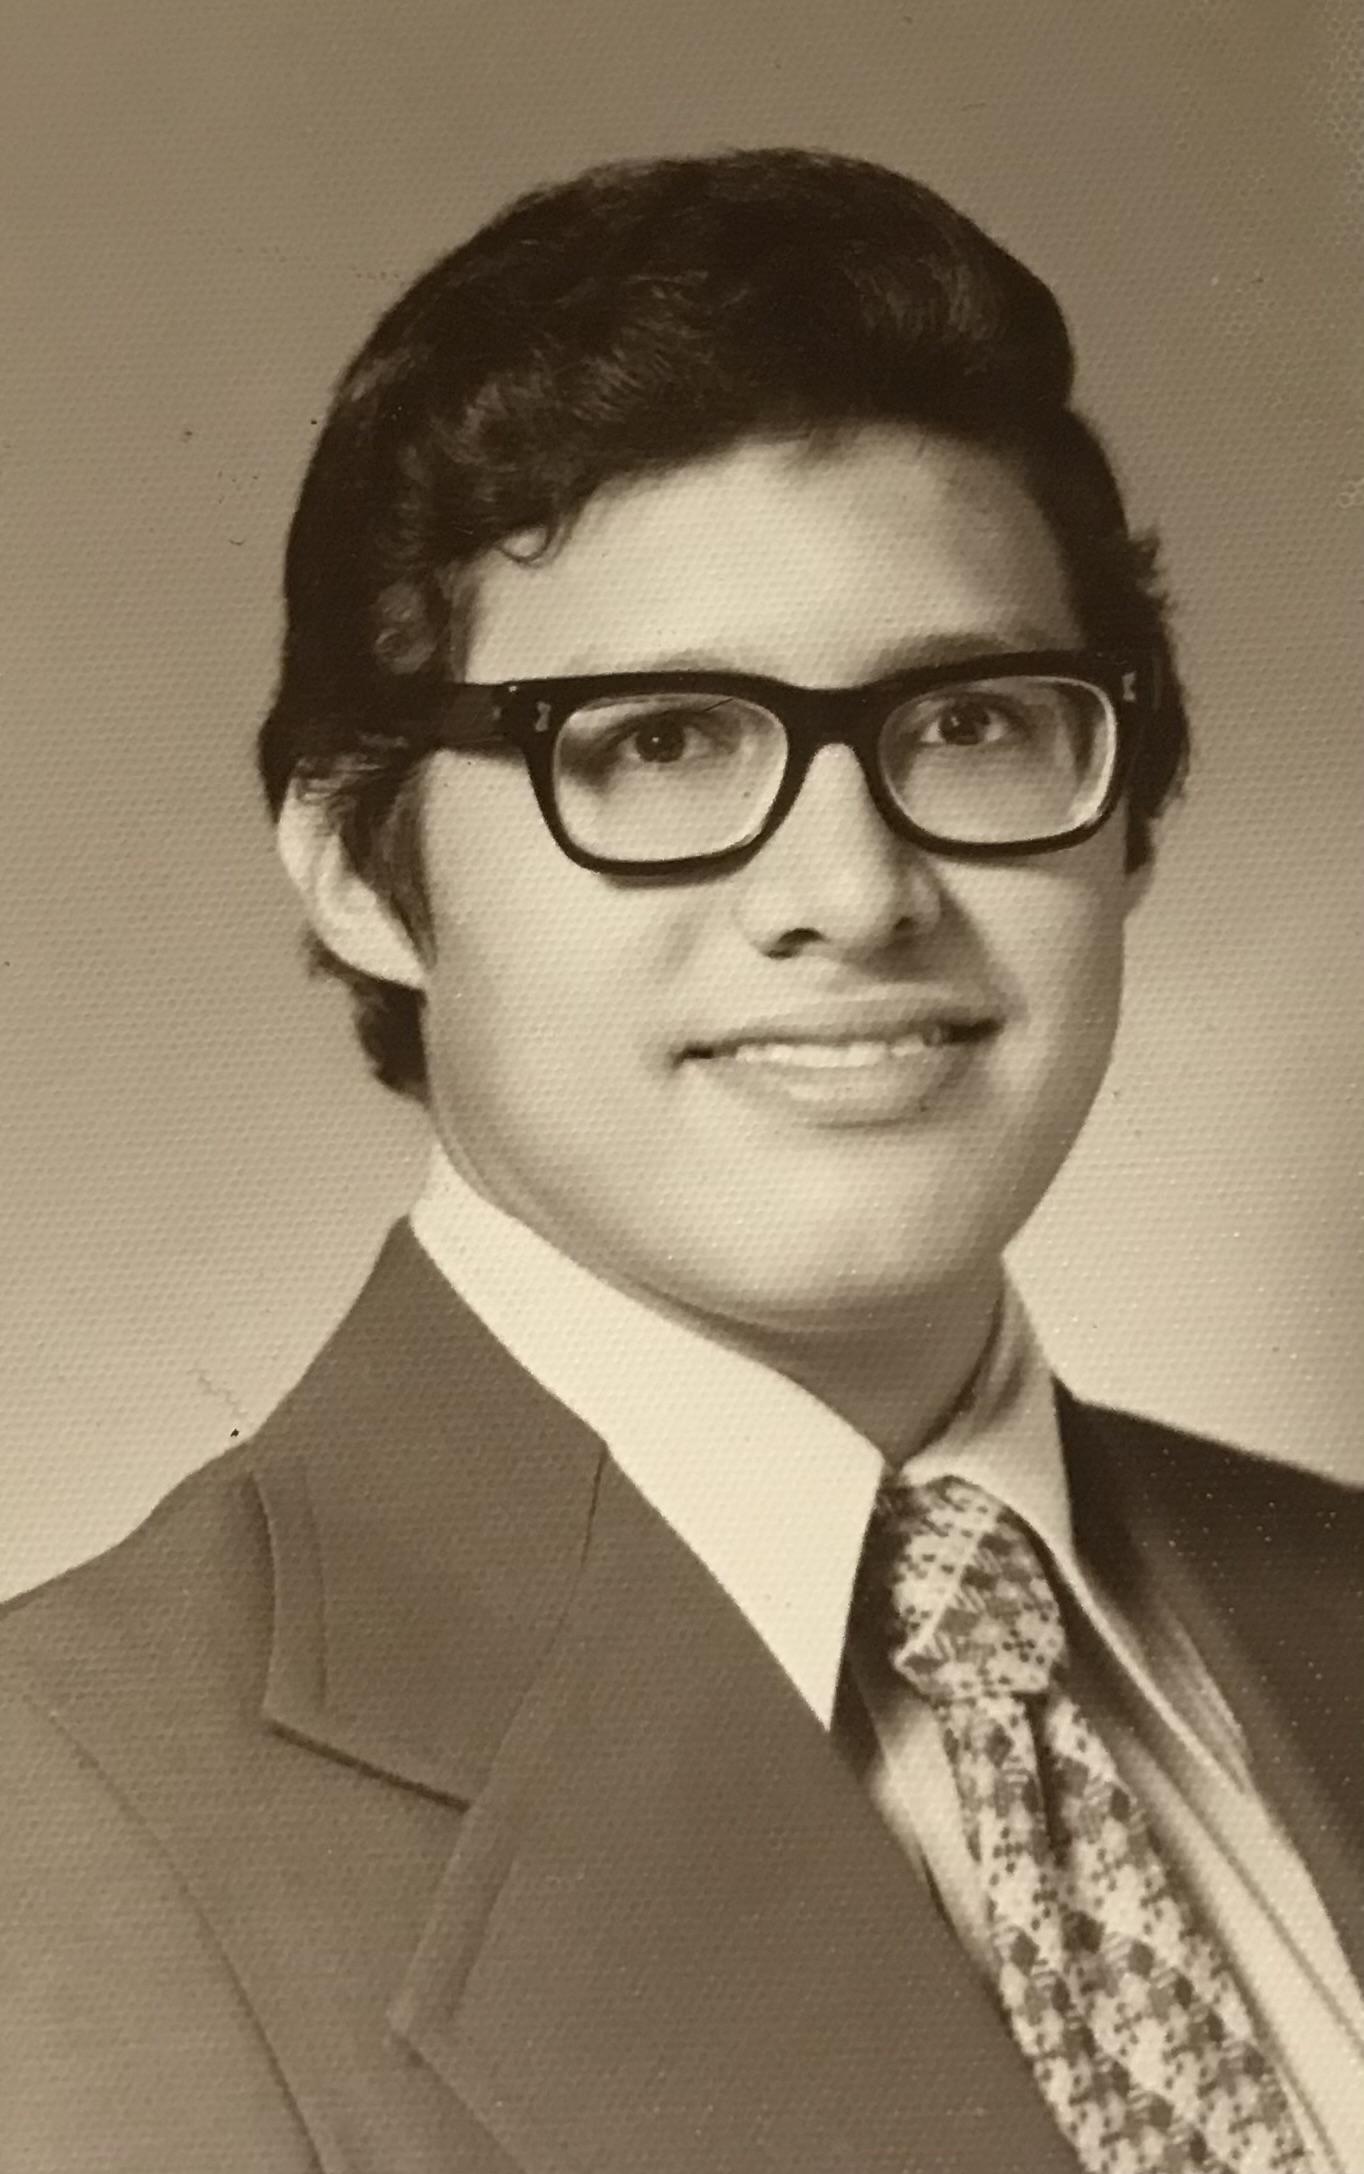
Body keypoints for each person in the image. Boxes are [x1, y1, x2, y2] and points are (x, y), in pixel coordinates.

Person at [1, 148, 1360, 2174]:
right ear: (360, 864)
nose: (854, 890)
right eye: (654, 742)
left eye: (972, 720)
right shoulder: (64, 1816)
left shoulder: (1330, 1596)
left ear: (1123, 818)